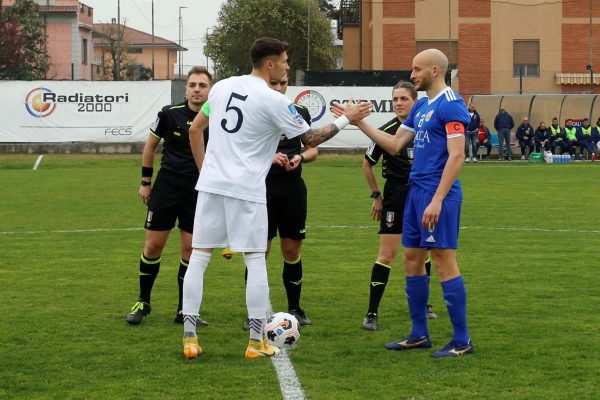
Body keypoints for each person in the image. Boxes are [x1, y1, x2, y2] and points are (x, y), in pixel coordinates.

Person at [181, 37, 371, 360]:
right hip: (247, 190)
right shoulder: (273, 100)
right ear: (269, 64)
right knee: (255, 260)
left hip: (211, 187)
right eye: (284, 61)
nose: (286, 66)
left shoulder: (222, 87)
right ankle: (256, 342)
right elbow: (310, 137)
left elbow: (195, 130)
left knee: (199, 258)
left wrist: (205, 172)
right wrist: (347, 118)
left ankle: (189, 338)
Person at [336, 49, 473, 358]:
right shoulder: (422, 105)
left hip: (438, 195)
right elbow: (395, 145)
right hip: (414, 192)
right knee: (411, 258)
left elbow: (457, 156)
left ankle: (462, 340)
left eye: (416, 69)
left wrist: (437, 200)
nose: (412, 75)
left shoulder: (451, 105)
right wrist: (358, 123)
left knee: (442, 261)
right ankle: (418, 333)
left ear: (435, 71)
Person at [125, 66, 212, 326]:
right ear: (186, 89)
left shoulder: (217, 118)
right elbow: (150, 147)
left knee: (190, 251)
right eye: (193, 84)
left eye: (202, 85)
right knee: (153, 246)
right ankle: (143, 301)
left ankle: (184, 310)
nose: (197, 89)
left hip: (197, 193)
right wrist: (145, 182)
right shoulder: (169, 114)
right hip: (166, 189)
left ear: (210, 89)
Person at [361, 81, 437, 332]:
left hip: (423, 195)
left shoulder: (426, 128)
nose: (399, 103)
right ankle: (372, 312)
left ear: (415, 102)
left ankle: (423, 306)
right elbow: (367, 164)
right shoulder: (387, 131)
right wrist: (376, 196)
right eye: (395, 99)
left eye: (404, 98)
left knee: (423, 252)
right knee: (386, 255)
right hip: (395, 196)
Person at [241, 77, 316, 330]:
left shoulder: (298, 112)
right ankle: (253, 312)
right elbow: (241, 150)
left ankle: (295, 308)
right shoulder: (253, 111)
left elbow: (313, 148)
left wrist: (300, 157)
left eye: (283, 83)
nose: (279, 87)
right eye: (274, 83)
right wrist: (268, 156)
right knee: (259, 252)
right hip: (261, 189)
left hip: (292, 190)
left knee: (292, 251)